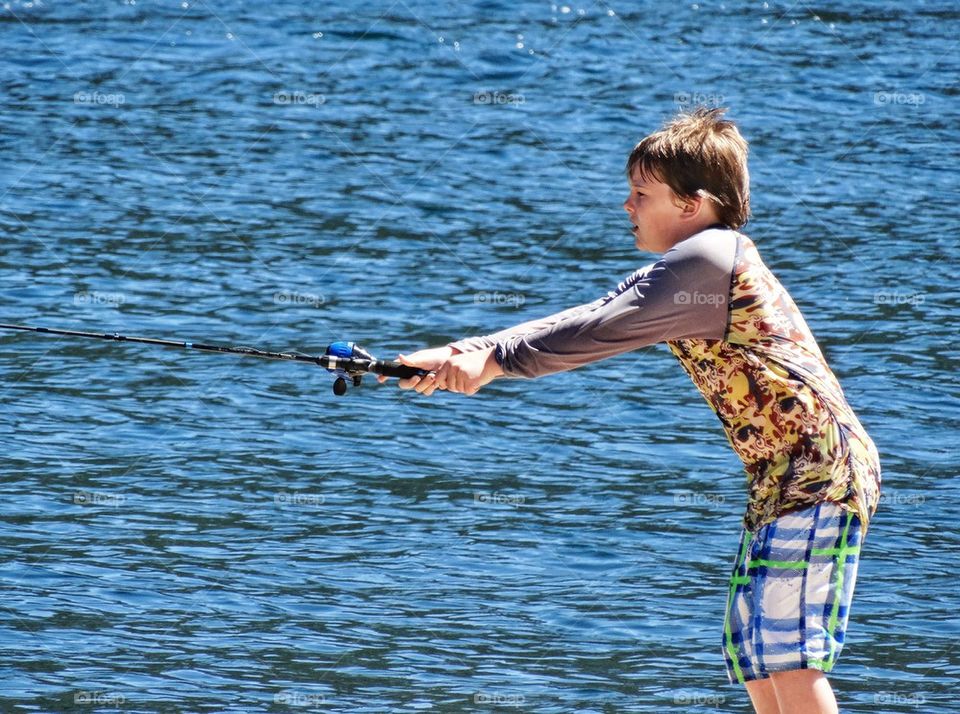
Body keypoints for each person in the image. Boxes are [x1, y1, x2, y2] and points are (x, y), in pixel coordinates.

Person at [379, 107, 881, 714]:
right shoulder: (687, 267)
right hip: (782, 476)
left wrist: (495, 362)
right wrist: (464, 352)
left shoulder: (713, 260)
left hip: (818, 470)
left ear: (693, 204)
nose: (627, 206)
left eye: (642, 194)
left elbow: (596, 333)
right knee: (755, 653)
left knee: (789, 656)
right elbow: (586, 315)